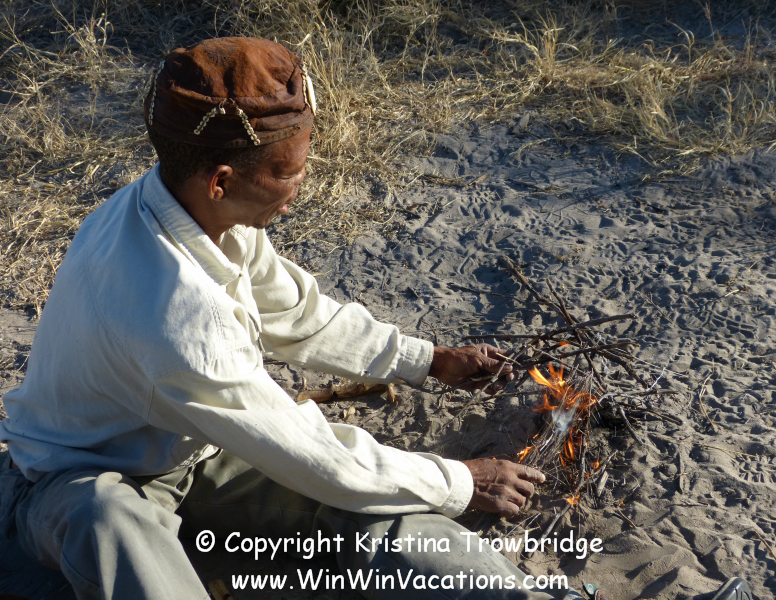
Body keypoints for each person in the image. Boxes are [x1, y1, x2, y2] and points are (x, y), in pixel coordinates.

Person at [0, 37, 563, 600]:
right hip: (80, 478)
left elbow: (299, 315)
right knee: (113, 523)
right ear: (221, 180)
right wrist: (460, 479)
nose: (300, 186)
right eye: (289, 170)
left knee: (378, 513)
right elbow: (313, 454)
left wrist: (428, 360)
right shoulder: (176, 317)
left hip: (199, 452)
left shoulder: (186, 207)